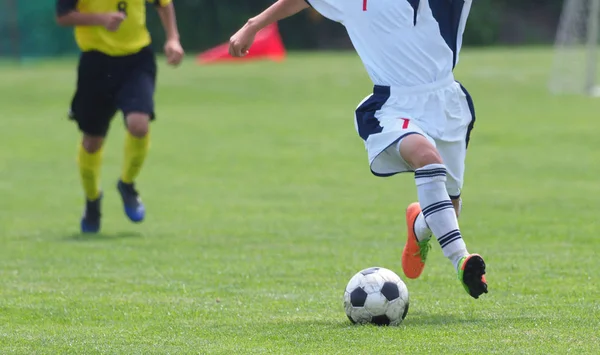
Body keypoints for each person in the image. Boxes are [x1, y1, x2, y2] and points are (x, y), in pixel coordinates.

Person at [229, 0, 487, 298]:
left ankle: (419, 225)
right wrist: (253, 25)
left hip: (447, 104)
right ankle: (461, 260)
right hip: (392, 105)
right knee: (427, 159)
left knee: (450, 204)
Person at [56, 0, 184, 233]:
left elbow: (163, 4)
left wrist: (173, 38)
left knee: (139, 125)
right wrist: (101, 19)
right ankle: (92, 200)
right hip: (95, 61)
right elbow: (63, 16)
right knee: (92, 142)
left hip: (136, 59)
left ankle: (127, 184)